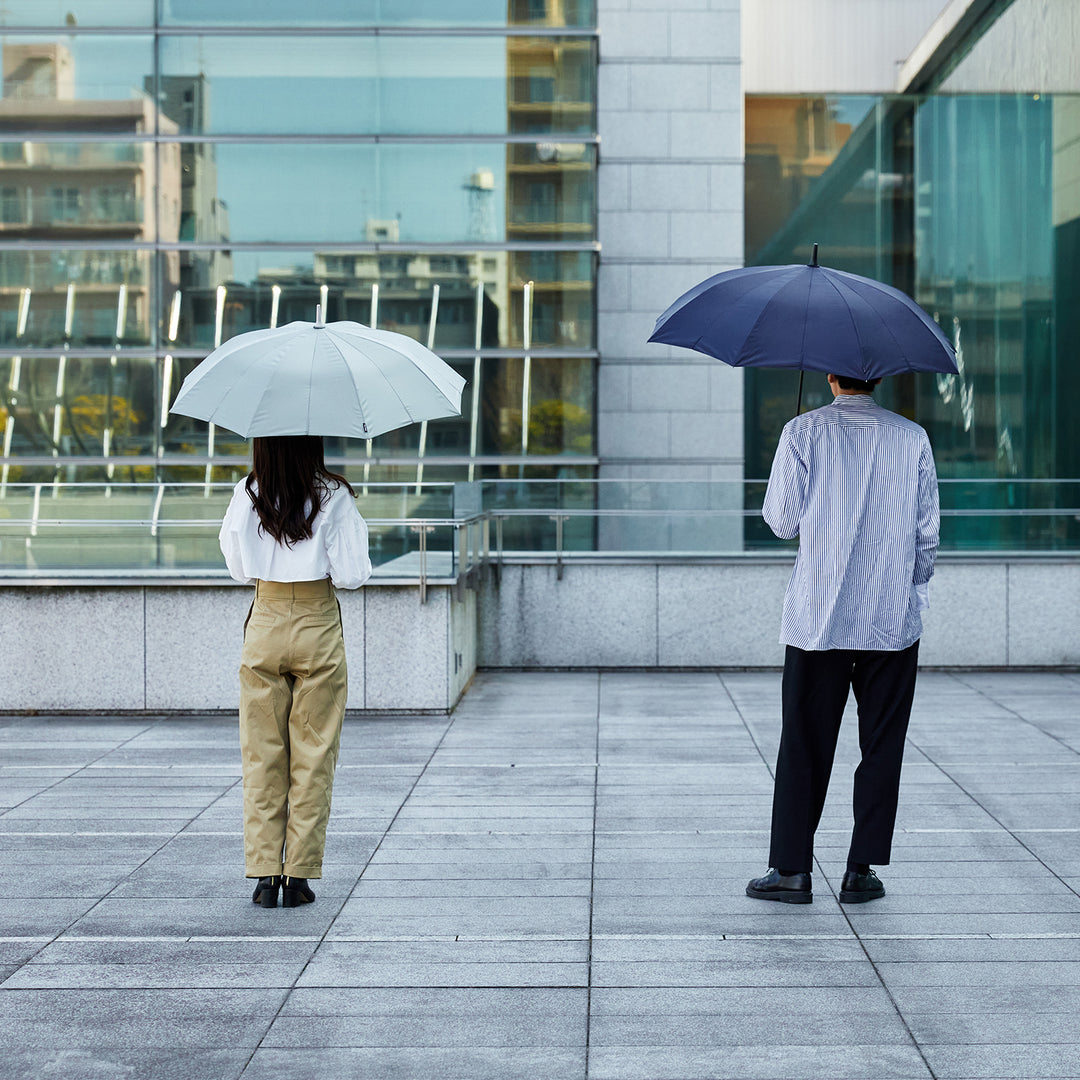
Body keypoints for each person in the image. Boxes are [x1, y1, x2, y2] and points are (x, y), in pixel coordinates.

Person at [746, 373, 939, 905]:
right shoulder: (912, 437)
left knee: (804, 742)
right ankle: (861, 871)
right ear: (877, 376)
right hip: (890, 617)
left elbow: (782, 522)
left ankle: (791, 871)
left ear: (830, 377)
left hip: (818, 618)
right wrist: (911, 595)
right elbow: (927, 534)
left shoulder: (802, 432)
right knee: (881, 745)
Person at [219, 435, 372, 909]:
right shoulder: (334, 495)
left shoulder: (248, 492)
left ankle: (265, 876)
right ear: (313, 443)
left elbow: (237, 566)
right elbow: (352, 573)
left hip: (264, 619)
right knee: (314, 753)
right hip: (316, 620)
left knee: (261, 753)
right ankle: (299, 875)